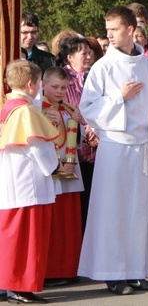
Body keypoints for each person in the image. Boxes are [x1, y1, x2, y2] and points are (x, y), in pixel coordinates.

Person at [77, 6, 148, 296]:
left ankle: (136, 270)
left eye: (114, 29)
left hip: (140, 146)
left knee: (138, 212)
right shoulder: (103, 67)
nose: (109, 35)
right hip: (116, 146)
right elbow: (88, 109)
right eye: (107, 30)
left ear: (131, 30)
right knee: (113, 212)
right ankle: (112, 273)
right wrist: (120, 96)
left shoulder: (146, 65)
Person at [0, 60, 61, 305]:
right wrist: (54, 165)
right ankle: (19, 286)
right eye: (38, 82)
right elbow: (38, 145)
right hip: (28, 182)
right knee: (26, 237)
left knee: (12, 235)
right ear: (31, 83)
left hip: (14, 180)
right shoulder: (25, 110)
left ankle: (9, 284)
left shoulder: (9, 105)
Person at [41, 66, 85, 287]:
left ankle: (69, 266)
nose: (59, 92)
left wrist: (78, 120)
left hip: (71, 166)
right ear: (43, 85)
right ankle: (51, 270)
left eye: (63, 87)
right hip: (53, 167)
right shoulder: (40, 108)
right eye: (54, 87)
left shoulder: (68, 108)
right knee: (55, 221)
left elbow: (79, 136)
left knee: (70, 219)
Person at [56, 36, 96, 231]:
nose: (88, 57)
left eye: (90, 53)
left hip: (96, 148)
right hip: (73, 150)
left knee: (93, 200)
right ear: (70, 58)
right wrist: (85, 126)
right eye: (83, 53)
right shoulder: (63, 80)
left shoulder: (96, 76)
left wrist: (95, 126)